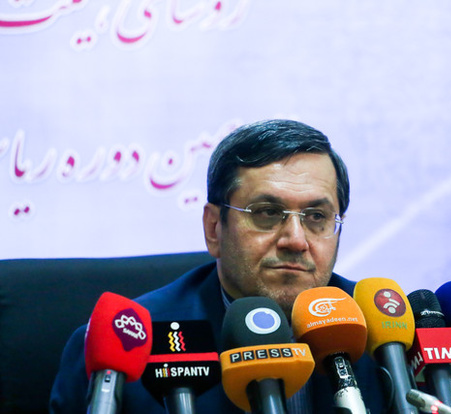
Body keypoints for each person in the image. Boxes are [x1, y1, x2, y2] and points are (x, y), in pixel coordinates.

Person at [49, 119, 384, 413]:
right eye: (267, 213)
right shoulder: (123, 347)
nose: (296, 240)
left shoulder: (386, 340)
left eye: (316, 217)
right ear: (213, 228)